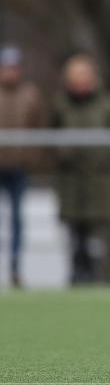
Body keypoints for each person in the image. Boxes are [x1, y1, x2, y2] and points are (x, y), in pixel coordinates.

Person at [52, 54, 110, 284]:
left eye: (84, 76)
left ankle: (94, 274)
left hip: (98, 177)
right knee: (75, 231)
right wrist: (64, 154)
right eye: (76, 76)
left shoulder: (107, 103)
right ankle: (76, 274)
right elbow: (49, 134)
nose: (80, 81)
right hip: (71, 177)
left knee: (95, 231)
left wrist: (103, 158)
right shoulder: (61, 104)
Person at [0, 45, 45, 288]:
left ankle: (16, 268)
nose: (10, 72)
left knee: (18, 220)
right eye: (6, 67)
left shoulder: (30, 94)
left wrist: (31, 156)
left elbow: (39, 127)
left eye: (13, 68)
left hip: (18, 167)